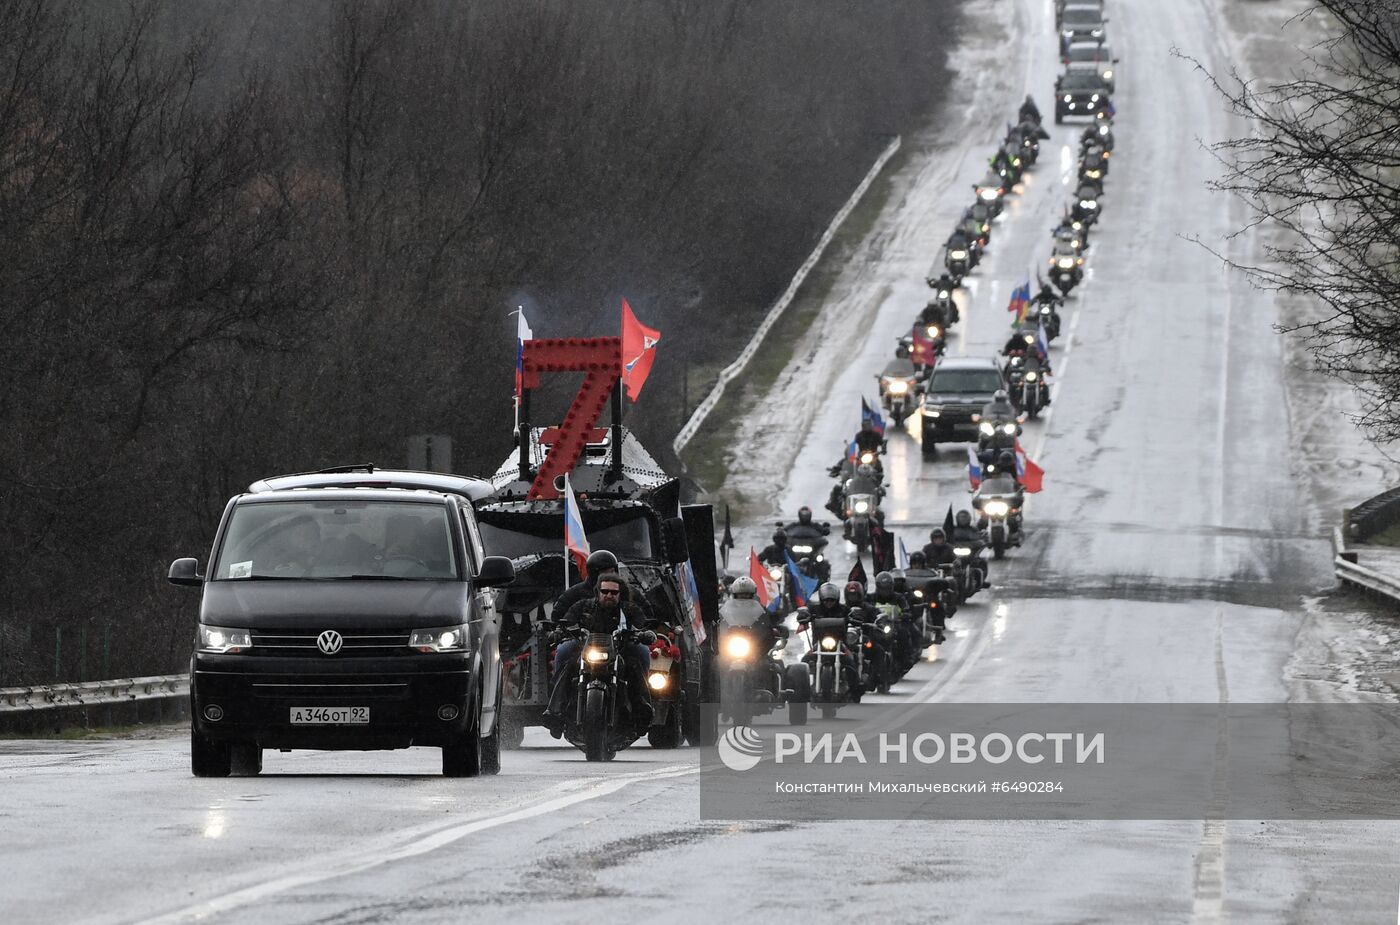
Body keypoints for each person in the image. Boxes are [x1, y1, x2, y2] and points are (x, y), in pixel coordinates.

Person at [544, 574, 652, 737]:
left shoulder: (629, 609)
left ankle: (642, 710)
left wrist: (645, 633)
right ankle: (555, 711)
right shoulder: (583, 606)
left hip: (619, 650)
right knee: (568, 662)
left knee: (635, 663)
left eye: (613, 593)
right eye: (605, 591)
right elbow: (567, 621)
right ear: (598, 592)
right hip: (586, 650)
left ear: (620, 594)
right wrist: (559, 632)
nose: (609, 595)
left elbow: (642, 623)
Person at [799, 583, 864, 701]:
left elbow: (853, 615)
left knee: (850, 661)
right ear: (821, 599)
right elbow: (805, 611)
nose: (829, 603)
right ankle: (801, 691)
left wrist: (856, 617)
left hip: (840, 645)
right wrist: (803, 615)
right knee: (803, 663)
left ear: (837, 599)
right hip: (818, 645)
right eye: (826, 600)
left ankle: (855, 688)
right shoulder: (814, 609)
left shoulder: (844, 609)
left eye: (832, 600)